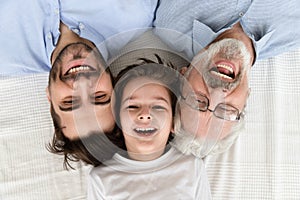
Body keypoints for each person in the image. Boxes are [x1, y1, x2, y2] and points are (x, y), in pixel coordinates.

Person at [153, 0, 300, 157]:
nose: (217, 92)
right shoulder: (294, 32)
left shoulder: (170, 25)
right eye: (225, 110)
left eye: (198, 102)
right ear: (245, 100)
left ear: (183, 75)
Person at [87, 57, 212, 199]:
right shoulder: (101, 179)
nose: (145, 115)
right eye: (132, 107)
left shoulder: (192, 167)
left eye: (158, 107)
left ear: (173, 122)